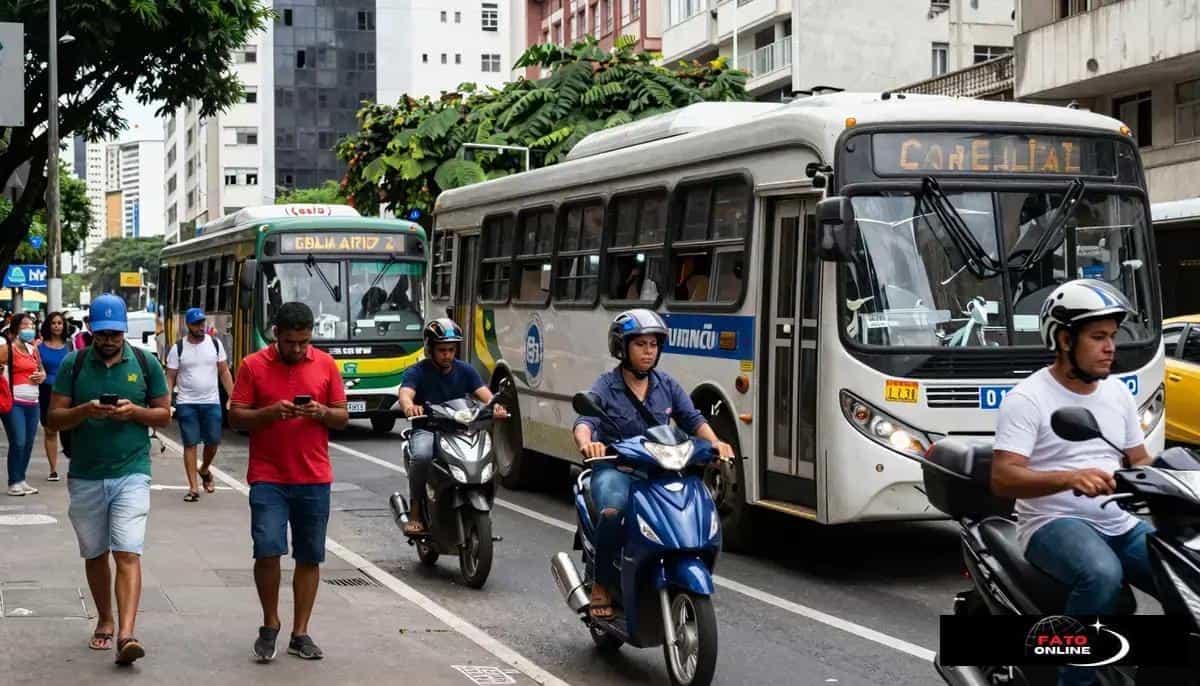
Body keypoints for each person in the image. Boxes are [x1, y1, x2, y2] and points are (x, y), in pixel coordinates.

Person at [991, 280, 1156, 686]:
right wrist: (1070, 478)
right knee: (1101, 574)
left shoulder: (1117, 393)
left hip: (1118, 521)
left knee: (1185, 568)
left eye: (1113, 337)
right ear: (1065, 339)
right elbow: (1003, 477)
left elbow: (1141, 460)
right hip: (1051, 522)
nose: (1110, 347)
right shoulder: (1028, 398)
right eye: (1098, 337)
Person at [572, 309, 734, 619]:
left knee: (695, 503)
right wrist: (587, 443)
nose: (648, 352)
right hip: (616, 469)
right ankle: (602, 584)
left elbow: (693, 419)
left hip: (658, 471)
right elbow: (585, 421)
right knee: (611, 510)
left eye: (653, 345)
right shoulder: (607, 385)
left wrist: (715, 443)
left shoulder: (667, 385)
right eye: (641, 345)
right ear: (622, 348)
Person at [48, 294, 171, 665]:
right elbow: (53, 419)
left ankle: (127, 634)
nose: (108, 341)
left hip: (132, 471)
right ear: (91, 330)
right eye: (102, 334)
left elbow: (164, 415)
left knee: (127, 551)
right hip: (85, 474)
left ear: (124, 332)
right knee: (95, 552)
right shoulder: (75, 362)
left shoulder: (146, 363)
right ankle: (105, 618)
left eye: (115, 334)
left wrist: (135, 412)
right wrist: (84, 410)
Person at [229, 302, 349, 663]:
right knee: (267, 548)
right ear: (275, 334)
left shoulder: (326, 365)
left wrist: (323, 412)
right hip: (268, 477)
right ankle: (270, 623)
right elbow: (236, 416)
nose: (298, 349)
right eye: (291, 342)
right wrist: (268, 413)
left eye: (304, 342)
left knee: (309, 555)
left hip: (314, 477)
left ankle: (301, 632)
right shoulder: (253, 366)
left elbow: (342, 417)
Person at [396, 318, 508, 535]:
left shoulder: (465, 370)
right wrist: (410, 407)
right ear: (430, 348)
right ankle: (416, 512)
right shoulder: (417, 372)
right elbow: (405, 394)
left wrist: (497, 408)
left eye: (451, 349)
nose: (447, 354)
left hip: (460, 430)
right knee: (421, 456)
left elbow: (487, 397)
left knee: (488, 455)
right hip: (427, 429)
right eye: (442, 350)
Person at [166, 308, 234, 502]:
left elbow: (224, 372)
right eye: (196, 324)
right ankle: (193, 488)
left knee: (213, 441)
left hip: (211, 401)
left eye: (202, 323)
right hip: (187, 402)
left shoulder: (215, 344)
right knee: (190, 443)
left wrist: (233, 396)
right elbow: (170, 377)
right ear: (188, 325)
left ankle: (204, 469)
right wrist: (167, 402)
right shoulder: (177, 348)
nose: (200, 327)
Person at [4, 313, 46, 495]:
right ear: (15, 328)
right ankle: (13, 480)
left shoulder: (33, 349)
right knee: (18, 441)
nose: (29, 329)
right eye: (24, 325)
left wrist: (41, 376)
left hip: (33, 401)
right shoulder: (8, 349)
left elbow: (41, 369)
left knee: (29, 442)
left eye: (31, 325)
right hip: (14, 401)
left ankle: (21, 478)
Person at [38, 312, 72, 481]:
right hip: (46, 391)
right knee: (50, 430)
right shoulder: (39, 347)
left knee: (69, 429)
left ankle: (73, 463)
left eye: (60, 323)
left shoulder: (70, 346)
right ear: (48, 326)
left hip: (68, 391)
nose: (57, 326)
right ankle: (53, 470)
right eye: (54, 323)